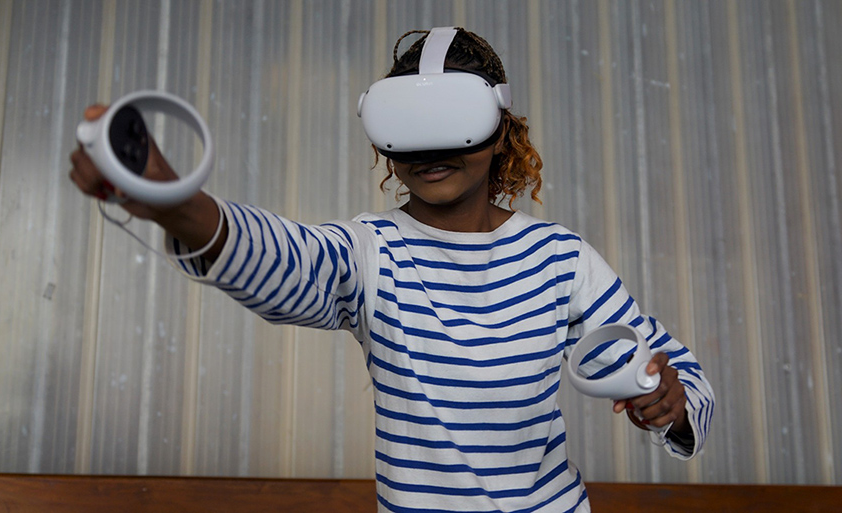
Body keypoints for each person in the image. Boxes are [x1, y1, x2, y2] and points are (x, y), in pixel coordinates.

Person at [70, 27, 714, 513]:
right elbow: (286, 259)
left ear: (499, 130)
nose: (431, 148)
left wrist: (672, 403)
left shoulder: (562, 259)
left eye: (453, 122)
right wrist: (177, 203)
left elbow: (678, 374)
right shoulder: (371, 251)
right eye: (409, 123)